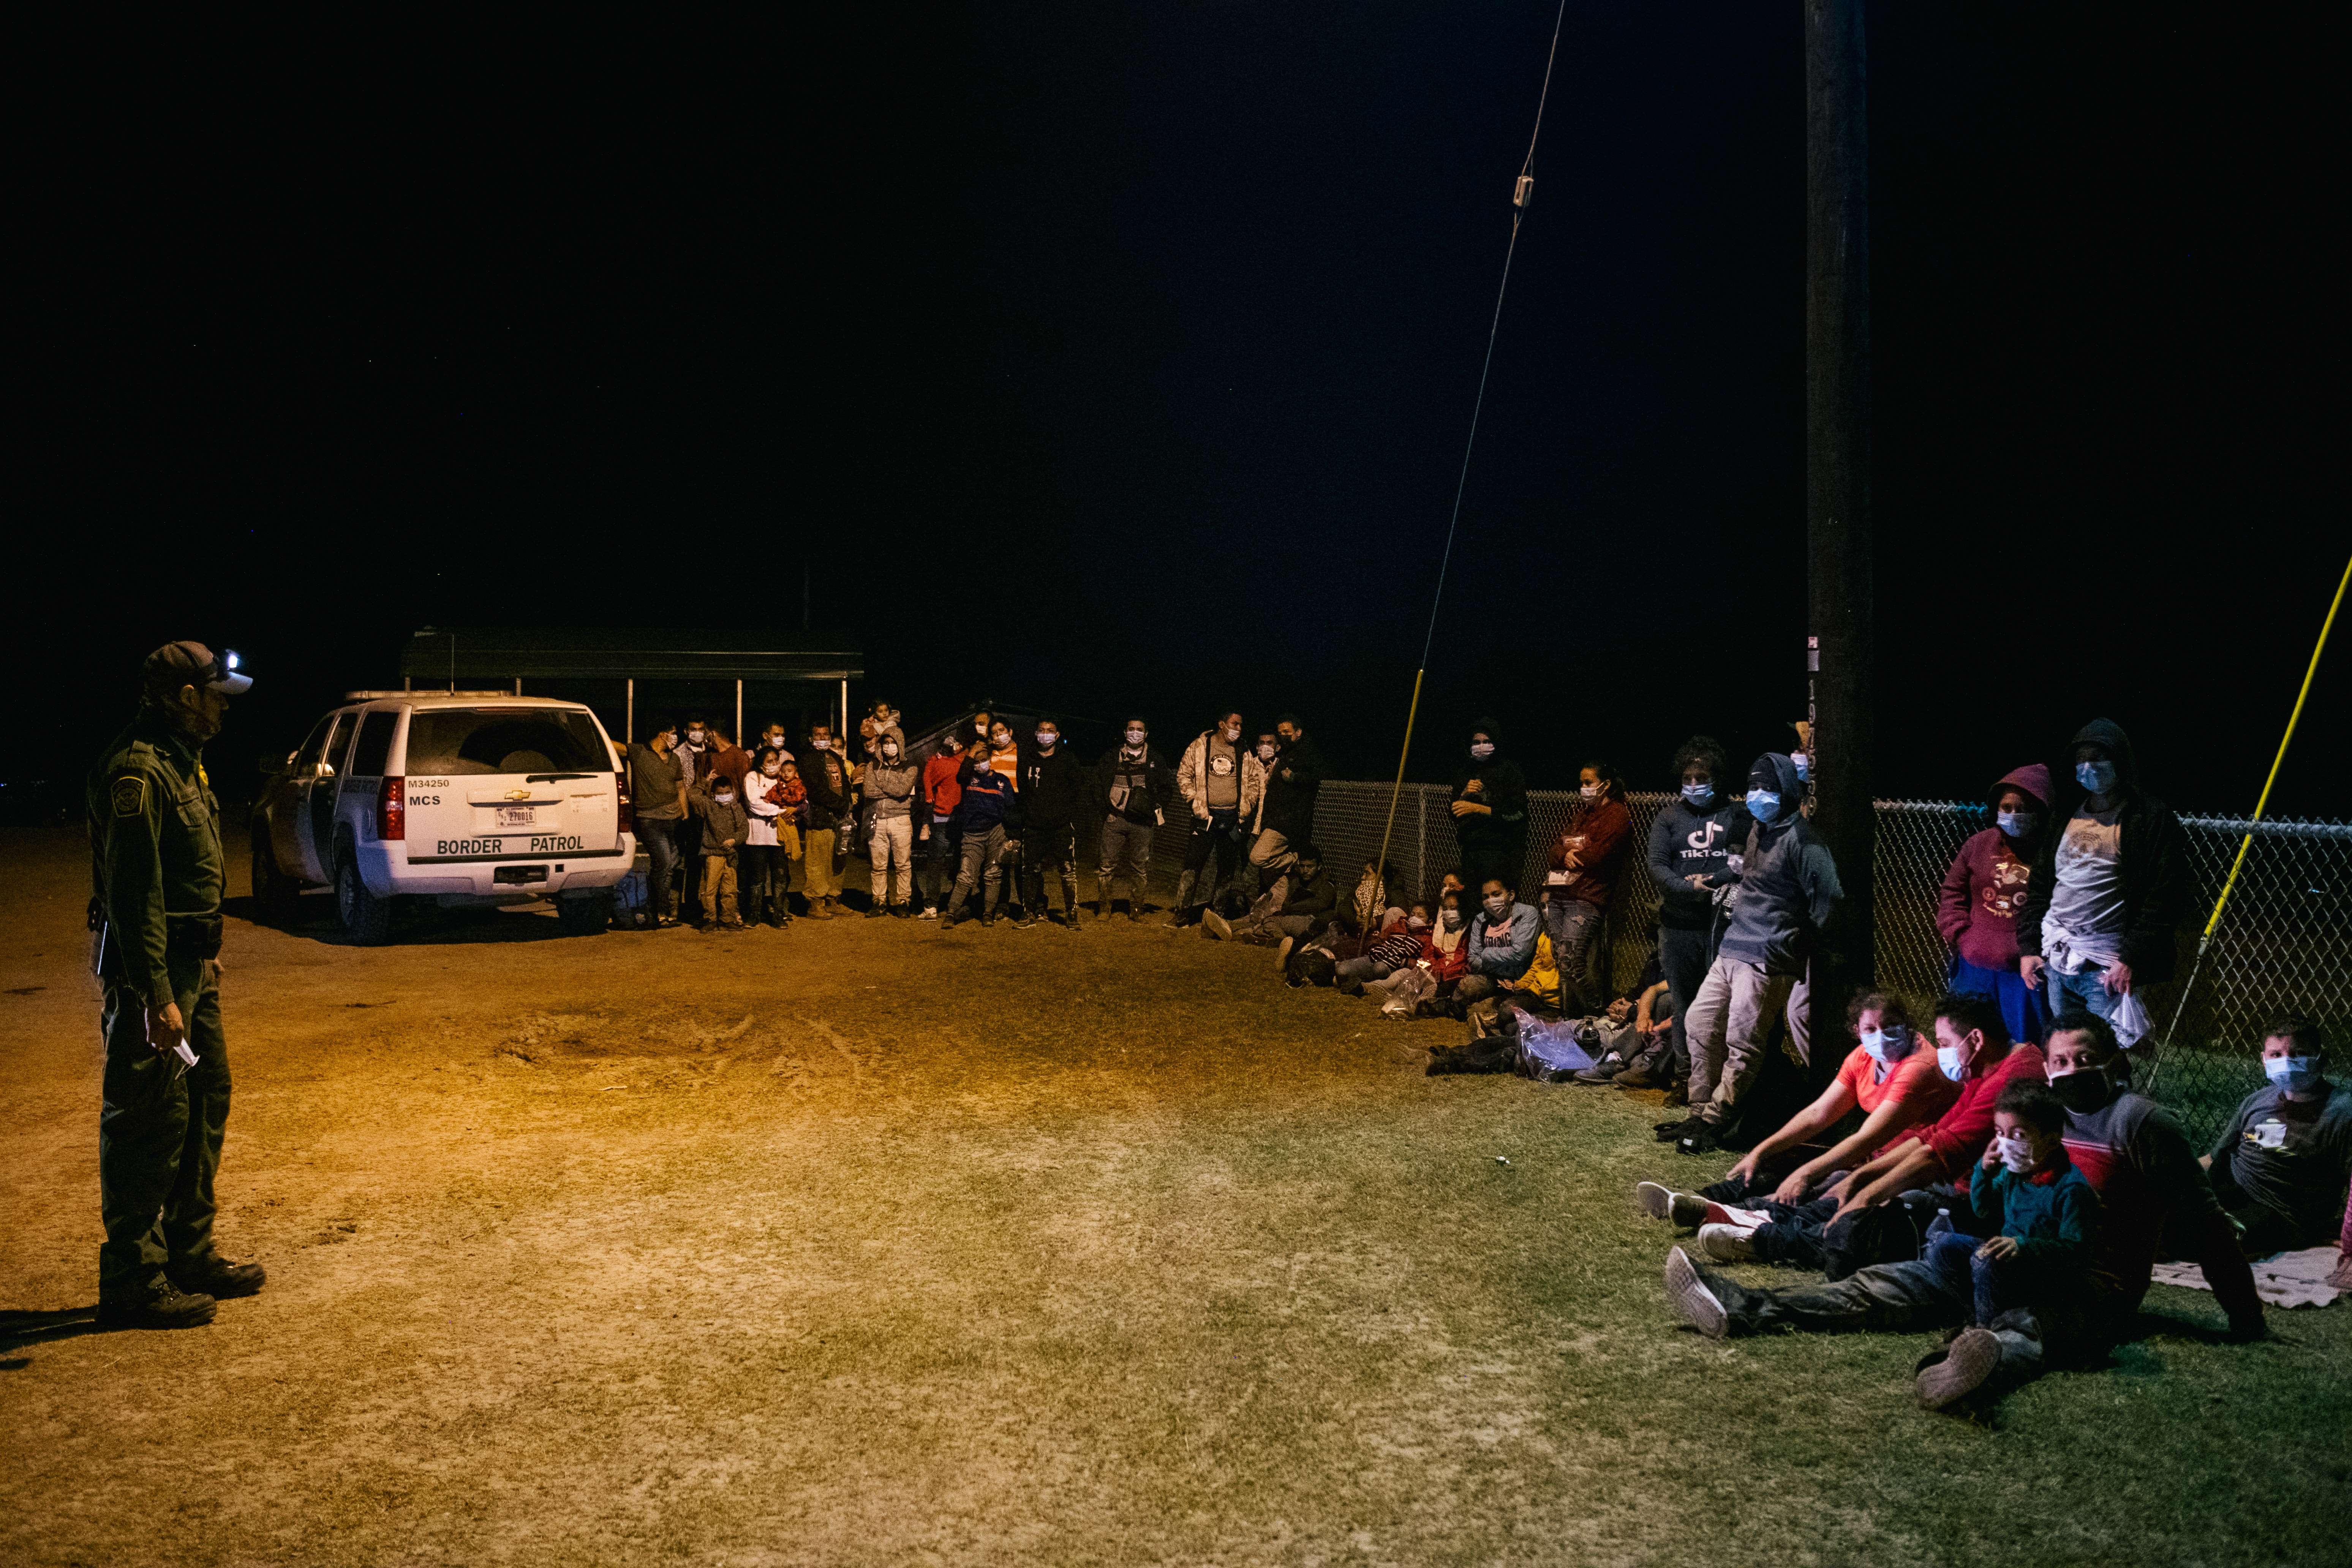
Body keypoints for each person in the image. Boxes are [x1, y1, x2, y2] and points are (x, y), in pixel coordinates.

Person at [1661, 1078, 2103, 1414]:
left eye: (2018, 1136)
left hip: (2034, 1287)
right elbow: (1987, 1210)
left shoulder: (2073, 1185)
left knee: (2018, 1335)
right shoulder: (2010, 1157)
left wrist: (2027, 1250)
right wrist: (1987, 1171)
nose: (2007, 1143)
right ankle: (1743, 1306)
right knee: (1882, 1282)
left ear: (2049, 1136)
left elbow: (2077, 1251)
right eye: (2002, 1133)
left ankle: (1953, 1367)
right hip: (1979, 1269)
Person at [87, 641, 264, 1329]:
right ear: (185, 695)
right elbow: (135, 896)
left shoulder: (179, 759)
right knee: (146, 1118)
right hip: (154, 979)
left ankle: (190, 1251)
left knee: (203, 1099)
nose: (224, 706)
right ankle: (133, 1274)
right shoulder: (138, 770)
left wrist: (201, 963)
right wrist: (156, 992)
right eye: (217, 694)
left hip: (192, 969)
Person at [1636, 992, 1955, 1237]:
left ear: (1908, 1026)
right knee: (1786, 1158)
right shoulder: (1863, 1057)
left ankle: (1738, 1218)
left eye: (1890, 1027)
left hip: (1910, 1163)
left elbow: (1865, 1139)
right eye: (1871, 1028)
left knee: (1828, 1184)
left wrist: (1805, 1174)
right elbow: (1819, 1114)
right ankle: (1701, 1200)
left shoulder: (1919, 1068)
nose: (1881, 1036)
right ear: (1857, 1031)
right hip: (1878, 1155)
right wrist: (1762, 1151)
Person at [1669, 752, 1843, 1152]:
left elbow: (1830, 899)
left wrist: (1797, 937)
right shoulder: (1759, 830)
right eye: (1753, 787)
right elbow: (1748, 874)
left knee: (1742, 1041)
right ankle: (1699, 1112)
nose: (1757, 795)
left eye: (1766, 787)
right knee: (1699, 1024)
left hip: (1768, 954)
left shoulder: (1805, 841)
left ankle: (1716, 1120)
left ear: (1786, 790)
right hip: (1735, 946)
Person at [2016, 719, 2188, 1046]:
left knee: (2107, 1053)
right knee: (2066, 1047)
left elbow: (2164, 895)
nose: (2089, 767)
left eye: (2099, 757)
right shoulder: (2067, 814)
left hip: (2107, 966)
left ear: (2120, 761)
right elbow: (2040, 886)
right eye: (2081, 760)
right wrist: (2029, 948)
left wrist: (2131, 958)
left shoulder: (2148, 818)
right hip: (2059, 957)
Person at [1624, 736, 1746, 1091]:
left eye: (1702, 777)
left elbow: (1740, 864)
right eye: (1688, 778)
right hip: (1678, 926)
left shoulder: (1736, 814)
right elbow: (1658, 865)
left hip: (1721, 927)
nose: (1694, 785)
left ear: (1718, 778)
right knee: (1684, 1004)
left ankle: (1723, 1081)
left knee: (1722, 1007)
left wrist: (1712, 881)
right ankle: (1684, 1079)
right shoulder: (1669, 817)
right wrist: (1686, 888)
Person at [2203, 1016, 2352, 1255]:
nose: (2286, 1062)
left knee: (2213, 1237)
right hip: (2231, 1186)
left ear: (2320, 1058)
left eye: (2298, 1053)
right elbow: (2214, 1158)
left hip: (2279, 1210)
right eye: (2276, 1055)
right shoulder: (2258, 1101)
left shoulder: (2342, 1112)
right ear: (2264, 1060)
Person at [1938, 763, 2055, 1044]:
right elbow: (1953, 891)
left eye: (2023, 808)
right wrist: (1961, 935)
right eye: (2007, 807)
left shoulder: (2050, 851)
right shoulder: (1980, 845)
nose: (2014, 815)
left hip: (2024, 973)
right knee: (1969, 1041)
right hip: (1974, 967)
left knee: (2023, 1044)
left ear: (2041, 810)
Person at [1541, 759, 1633, 1017]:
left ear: (1606, 785)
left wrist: (1570, 853)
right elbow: (1554, 850)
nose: (1583, 788)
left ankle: (1596, 1015)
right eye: (1581, 783)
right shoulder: (1582, 814)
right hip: (1560, 894)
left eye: (1588, 783)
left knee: (1572, 963)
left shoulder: (1618, 815)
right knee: (1563, 962)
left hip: (1587, 898)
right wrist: (1566, 853)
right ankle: (1569, 1017)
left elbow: (1597, 855)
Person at [1172, 710, 1265, 924]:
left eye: (1241, 725)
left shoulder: (1243, 750)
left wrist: (1247, 806)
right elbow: (1184, 775)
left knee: (1227, 869)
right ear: (1222, 724)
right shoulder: (1200, 746)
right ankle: (1182, 912)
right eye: (1235, 724)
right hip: (1206, 818)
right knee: (1193, 866)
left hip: (1233, 818)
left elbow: (1253, 782)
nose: (1239, 729)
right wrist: (1195, 803)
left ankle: (1218, 914)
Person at [1015, 718, 1087, 929]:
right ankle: (1029, 912)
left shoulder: (1068, 760)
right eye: (1041, 730)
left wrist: (1065, 815)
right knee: (1030, 870)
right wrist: (1029, 815)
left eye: (1050, 731)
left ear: (1057, 736)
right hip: (1034, 826)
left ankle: (1071, 913)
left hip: (1061, 827)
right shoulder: (1027, 759)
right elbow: (1023, 789)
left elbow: (1077, 790)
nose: (1045, 734)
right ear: (1036, 733)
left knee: (1067, 870)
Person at [1095, 717, 1169, 919]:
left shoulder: (1155, 759)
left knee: (1140, 867)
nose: (1135, 733)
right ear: (1124, 732)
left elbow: (1165, 789)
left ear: (1146, 735)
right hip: (1115, 819)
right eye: (1131, 729)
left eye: (1139, 730)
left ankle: (1137, 908)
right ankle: (1104, 907)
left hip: (1143, 823)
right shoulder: (1111, 757)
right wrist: (1107, 812)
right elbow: (1098, 786)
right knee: (1106, 866)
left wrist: (1155, 811)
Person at [1448, 718, 1528, 893]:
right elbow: (1454, 812)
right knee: (1473, 900)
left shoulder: (1509, 771)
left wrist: (1479, 807)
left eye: (1487, 742)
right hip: (1470, 848)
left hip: (1499, 850)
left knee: (1495, 899)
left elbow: (1517, 813)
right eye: (1476, 743)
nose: (1481, 746)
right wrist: (1464, 794)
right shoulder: (1465, 772)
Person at [1203, 842, 1337, 946]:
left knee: (1270, 921)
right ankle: (1228, 926)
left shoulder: (1326, 883)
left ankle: (1282, 940)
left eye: (1310, 867)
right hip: (1293, 917)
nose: (1305, 871)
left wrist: (1290, 909)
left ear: (1319, 867)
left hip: (1312, 921)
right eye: (1302, 866)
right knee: (1259, 919)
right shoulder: (1297, 881)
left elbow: (1320, 904)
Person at [1365, 889, 1474, 1014]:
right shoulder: (1440, 931)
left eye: (1453, 908)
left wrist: (1435, 970)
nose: (1449, 913)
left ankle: (1405, 1004)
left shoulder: (1466, 933)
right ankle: (1376, 989)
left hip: (1452, 976)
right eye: (1446, 908)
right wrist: (1424, 967)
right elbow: (1427, 960)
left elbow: (1461, 959)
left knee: (1418, 980)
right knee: (1409, 974)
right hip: (1435, 971)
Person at [946, 738, 1018, 927]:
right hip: (972, 833)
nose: (980, 765)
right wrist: (972, 752)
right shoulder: (969, 778)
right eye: (976, 762)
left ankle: (988, 913)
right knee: (966, 874)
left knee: (993, 874)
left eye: (983, 760)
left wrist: (1013, 835)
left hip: (996, 831)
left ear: (990, 759)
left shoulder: (1002, 781)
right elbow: (961, 776)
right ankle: (951, 913)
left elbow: (1011, 808)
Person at [627, 720, 690, 928]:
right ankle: (653, 912)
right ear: (662, 734)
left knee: (671, 865)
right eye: (673, 733)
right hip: (650, 819)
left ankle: (662, 912)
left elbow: (680, 787)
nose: (676, 738)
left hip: (673, 818)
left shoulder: (674, 759)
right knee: (662, 862)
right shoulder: (640, 752)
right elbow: (613, 745)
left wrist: (685, 813)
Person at [1249, 713, 1325, 884]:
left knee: (1257, 857)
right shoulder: (1286, 754)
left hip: (1286, 823)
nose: (1283, 735)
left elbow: (1316, 776)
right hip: (1276, 820)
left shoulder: (1306, 751)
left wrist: (1294, 778)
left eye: (1287, 731)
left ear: (1298, 732)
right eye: (1280, 732)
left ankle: (1296, 861)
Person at [860, 729, 919, 918]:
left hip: (900, 820)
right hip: (877, 820)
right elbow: (868, 791)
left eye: (893, 743)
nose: (888, 747)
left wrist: (881, 785)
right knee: (878, 865)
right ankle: (879, 901)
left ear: (900, 745)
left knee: (902, 864)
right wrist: (892, 789)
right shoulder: (872, 766)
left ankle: (903, 901)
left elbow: (903, 790)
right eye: (885, 743)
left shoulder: (910, 767)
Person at [799, 723, 852, 919]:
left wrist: (846, 803)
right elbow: (815, 790)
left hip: (839, 817)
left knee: (838, 859)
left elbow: (845, 783)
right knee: (818, 862)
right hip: (820, 817)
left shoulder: (835, 757)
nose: (822, 738)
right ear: (811, 738)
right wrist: (839, 804)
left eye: (826, 734)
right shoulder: (807, 759)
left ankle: (833, 899)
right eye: (818, 735)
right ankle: (816, 902)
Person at [739, 746, 797, 929]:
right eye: (769, 761)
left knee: (780, 876)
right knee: (757, 877)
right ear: (761, 763)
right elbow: (755, 804)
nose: (773, 765)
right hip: (757, 836)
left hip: (780, 836)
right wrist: (781, 810)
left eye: (775, 761)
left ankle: (778, 914)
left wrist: (794, 809)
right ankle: (754, 914)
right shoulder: (752, 778)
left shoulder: (786, 779)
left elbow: (799, 800)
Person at [687, 770, 748, 930]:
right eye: (720, 793)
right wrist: (705, 783)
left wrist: (735, 840)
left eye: (728, 793)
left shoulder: (737, 808)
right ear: (714, 794)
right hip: (713, 854)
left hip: (731, 855)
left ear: (733, 793)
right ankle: (710, 919)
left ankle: (727, 919)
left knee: (730, 890)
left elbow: (744, 829)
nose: (724, 796)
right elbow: (692, 795)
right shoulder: (708, 806)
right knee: (709, 889)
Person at [918, 731, 965, 919]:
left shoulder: (939, 763)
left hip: (942, 815)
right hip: (957, 816)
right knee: (961, 863)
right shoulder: (958, 763)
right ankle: (959, 903)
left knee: (936, 862)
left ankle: (931, 906)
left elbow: (929, 778)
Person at [1335, 904, 1429, 994]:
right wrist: (1374, 947)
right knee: (1341, 970)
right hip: (1375, 957)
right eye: (1412, 915)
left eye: (1420, 916)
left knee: (1379, 969)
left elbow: (1427, 964)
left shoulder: (1427, 939)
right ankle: (1352, 981)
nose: (1414, 918)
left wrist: (1408, 962)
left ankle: (1359, 984)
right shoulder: (1398, 926)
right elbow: (1379, 939)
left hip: (1391, 967)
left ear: (1430, 922)